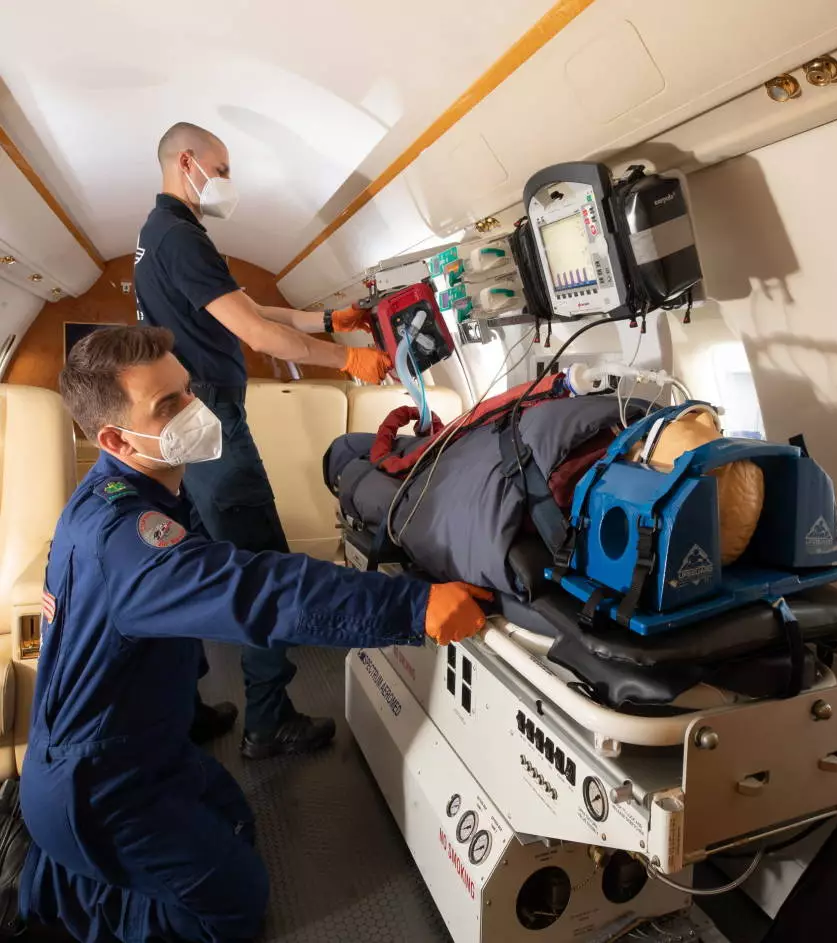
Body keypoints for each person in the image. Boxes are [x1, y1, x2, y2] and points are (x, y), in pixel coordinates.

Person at [4, 326, 489, 942]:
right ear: (115, 438)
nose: (195, 409)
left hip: (143, 747)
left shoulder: (119, 490)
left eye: (187, 390)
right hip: (97, 781)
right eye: (168, 404)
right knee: (232, 907)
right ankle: (42, 893)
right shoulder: (125, 542)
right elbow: (260, 592)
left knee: (235, 819)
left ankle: (69, 859)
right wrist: (413, 606)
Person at [134, 121, 393, 758]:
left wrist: (328, 317)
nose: (227, 182)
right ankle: (269, 721)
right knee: (263, 569)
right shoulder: (180, 236)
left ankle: (183, 709)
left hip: (181, 426)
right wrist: (347, 358)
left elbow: (244, 307)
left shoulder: (159, 233)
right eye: (221, 169)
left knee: (188, 566)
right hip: (209, 421)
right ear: (187, 162)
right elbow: (256, 333)